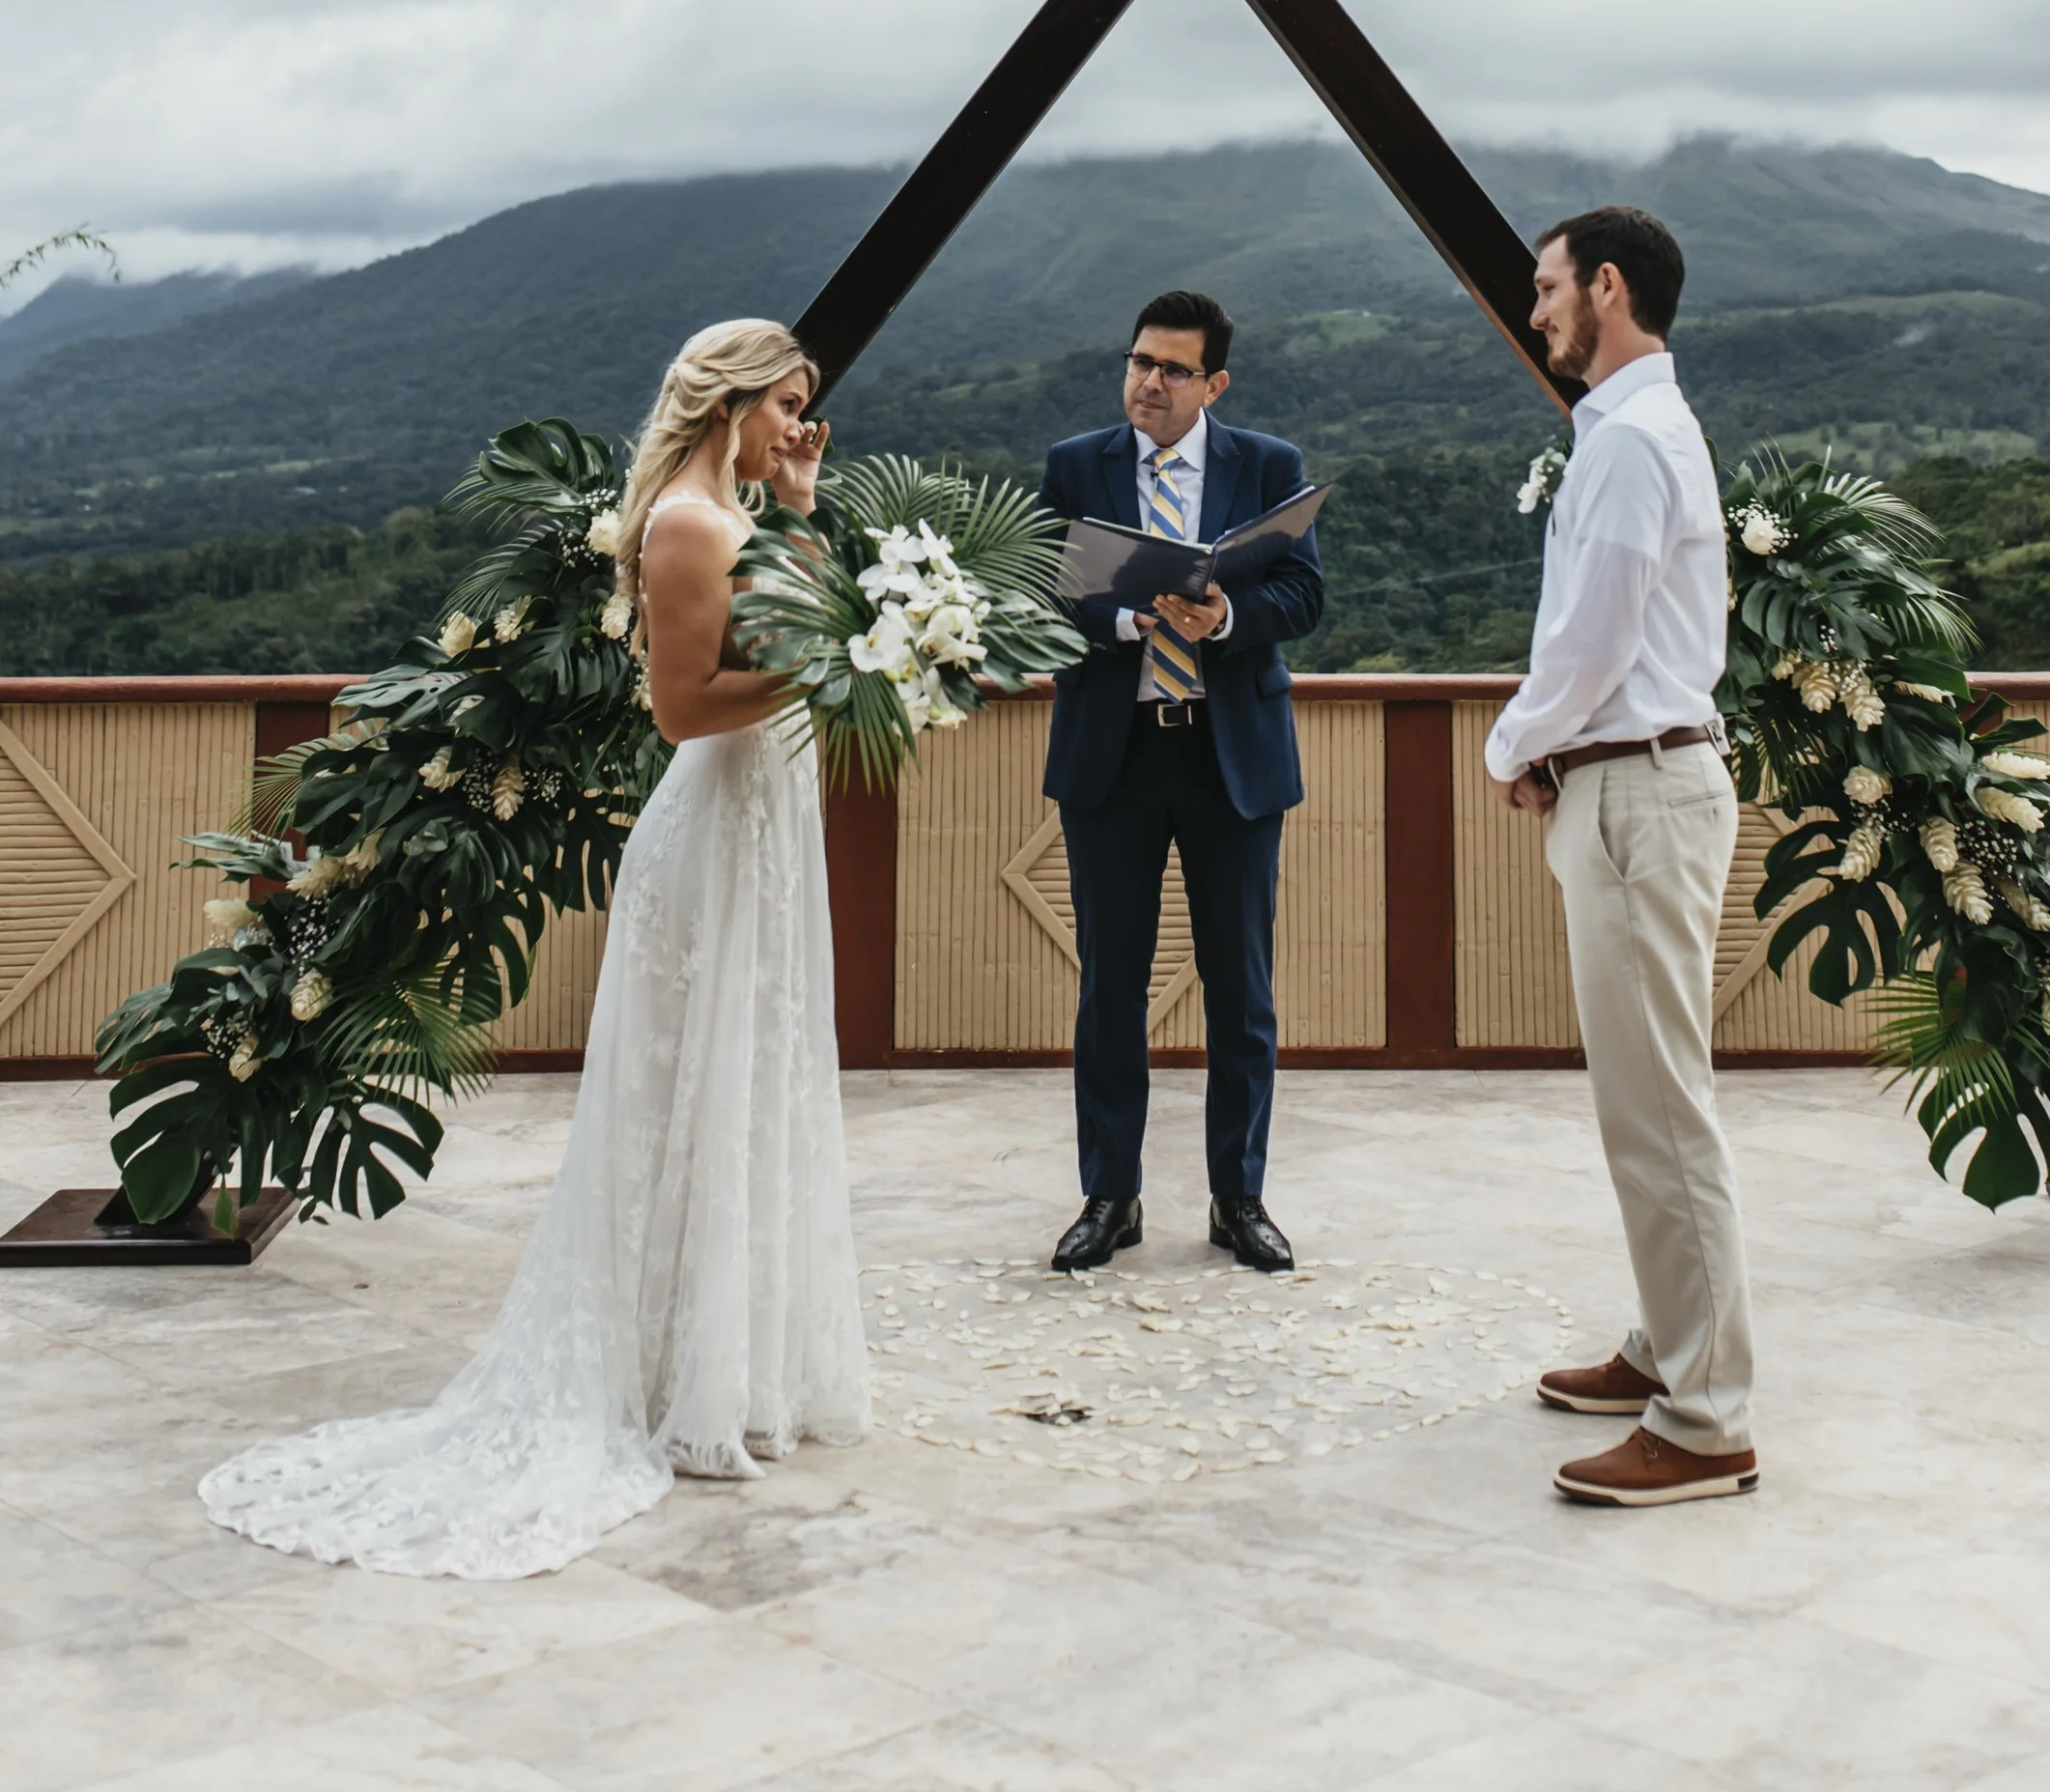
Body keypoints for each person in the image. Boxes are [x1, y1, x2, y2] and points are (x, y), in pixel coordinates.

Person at [198, 319, 871, 1578]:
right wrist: (831, 665)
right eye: (786, 406)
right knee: (689, 1091)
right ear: (728, 402)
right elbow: (682, 708)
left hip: (764, 824)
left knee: (750, 1080)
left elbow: (789, 617)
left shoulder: (740, 508)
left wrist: (803, 505)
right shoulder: (683, 523)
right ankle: (669, 1373)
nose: (798, 424)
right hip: (714, 828)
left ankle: (724, 1363)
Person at [1486, 208, 1758, 1507]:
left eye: (1545, 288)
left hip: (1639, 791)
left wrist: (1505, 746)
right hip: (1628, 786)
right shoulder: (1630, 431)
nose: (1535, 310)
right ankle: (1667, 1345)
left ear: (1605, 287)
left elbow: (1590, 644)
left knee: (1659, 1104)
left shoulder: (1631, 441)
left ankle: (1706, 1423)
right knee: (1638, 1096)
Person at [1039, 291, 1324, 1276]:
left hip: (1228, 757)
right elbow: (1043, 592)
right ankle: (1108, 1198)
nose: (1147, 383)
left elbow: (1304, 593)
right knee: (1110, 988)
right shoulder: (1077, 466)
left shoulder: (1267, 467)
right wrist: (1131, 623)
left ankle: (1238, 1199)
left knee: (1240, 990)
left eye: (1170, 369)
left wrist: (1225, 620)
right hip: (1113, 758)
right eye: (1138, 363)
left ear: (1214, 383)